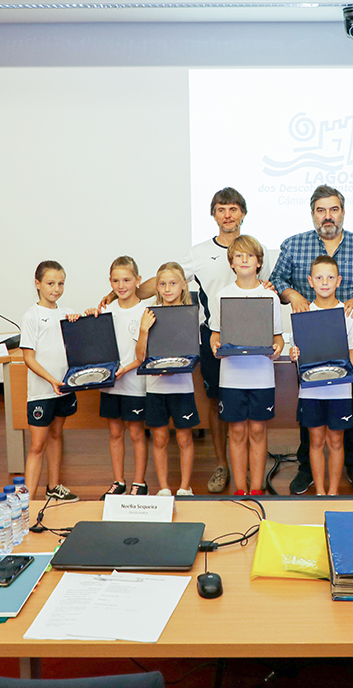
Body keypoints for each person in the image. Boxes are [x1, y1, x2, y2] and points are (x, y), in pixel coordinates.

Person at [100, 187, 272, 495]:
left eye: (233, 209)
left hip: (250, 341)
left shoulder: (254, 250)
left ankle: (249, 475)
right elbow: (165, 279)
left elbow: (265, 290)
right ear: (213, 215)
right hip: (212, 333)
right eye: (221, 209)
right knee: (218, 400)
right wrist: (122, 291)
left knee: (249, 419)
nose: (228, 215)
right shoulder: (198, 252)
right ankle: (223, 464)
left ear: (243, 214)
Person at [270, 185, 353, 496]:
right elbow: (276, 280)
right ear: (312, 214)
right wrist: (293, 294)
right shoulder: (294, 246)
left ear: (343, 212)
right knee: (311, 408)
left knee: (351, 405)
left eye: (333, 209)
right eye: (321, 210)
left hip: (351, 337)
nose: (328, 216)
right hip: (309, 342)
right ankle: (308, 468)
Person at [208, 235, 284, 495]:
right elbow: (215, 334)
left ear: (259, 262)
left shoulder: (270, 297)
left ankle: (256, 488)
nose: (243, 260)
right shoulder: (222, 296)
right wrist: (215, 345)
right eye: (238, 256)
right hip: (231, 378)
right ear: (231, 263)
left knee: (258, 431)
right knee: (237, 431)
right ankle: (240, 489)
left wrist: (278, 348)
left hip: (261, 376)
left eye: (249, 255)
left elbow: (277, 337)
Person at [288, 255, 353, 495]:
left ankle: (333, 492)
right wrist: (294, 353)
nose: (324, 282)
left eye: (330, 277)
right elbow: (296, 352)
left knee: (336, 441)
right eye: (319, 278)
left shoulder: (349, 314)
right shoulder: (302, 313)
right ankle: (320, 492)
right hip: (311, 392)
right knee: (316, 441)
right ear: (310, 281)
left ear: (338, 281)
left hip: (339, 391)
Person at [18, 260, 79, 503]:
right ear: (38, 284)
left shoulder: (66, 313)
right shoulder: (31, 316)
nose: (56, 288)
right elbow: (28, 358)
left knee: (56, 435)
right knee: (37, 445)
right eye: (50, 283)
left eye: (60, 283)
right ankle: (27, 502)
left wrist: (78, 321)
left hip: (64, 389)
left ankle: (54, 486)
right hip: (43, 392)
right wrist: (51, 380)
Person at [137, 262, 199, 497]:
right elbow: (140, 356)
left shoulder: (189, 314)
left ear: (183, 285)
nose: (167, 289)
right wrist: (144, 330)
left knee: (184, 437)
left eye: (173, 283)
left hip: (182, 387)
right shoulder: (149, 314)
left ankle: (185, 487)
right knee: (160, 437)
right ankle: (163, 487)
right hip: (155, 388)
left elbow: (193, 352)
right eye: (162, 284)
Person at [96, 256, 152, 497]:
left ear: (138, 280)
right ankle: (118, 481)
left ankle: (139, 482)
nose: (122, 285)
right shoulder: (105, 310)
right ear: (110, 282)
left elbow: (144, 354)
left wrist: (125, 370)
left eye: (127, 280)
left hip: (134, 384)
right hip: (110, 384)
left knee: (137, 433)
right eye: (116, 281)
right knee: (115, 432)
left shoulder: (145, 313)